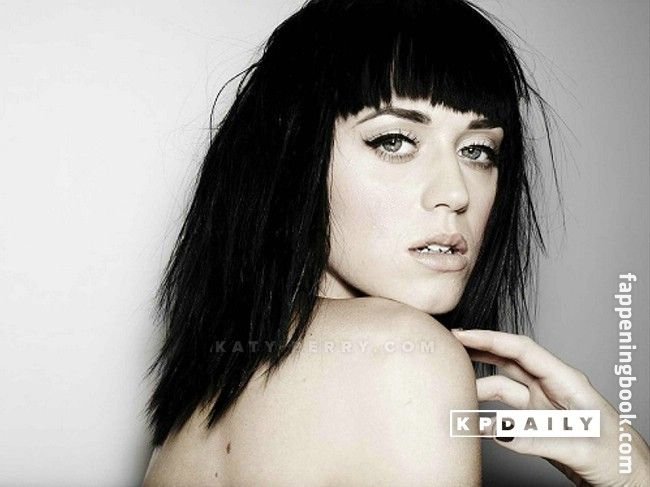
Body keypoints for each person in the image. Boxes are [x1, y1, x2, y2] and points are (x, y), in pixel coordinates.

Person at [142, 0, 650, 485]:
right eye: (395, 141)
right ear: (293, 156)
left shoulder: (206, 394)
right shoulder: (404, 357)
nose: (456, 193)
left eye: (477, 150)